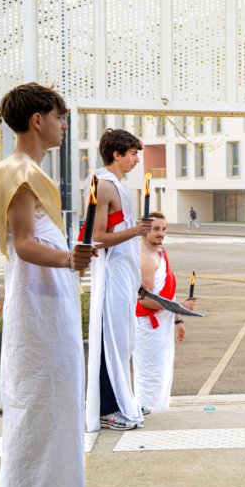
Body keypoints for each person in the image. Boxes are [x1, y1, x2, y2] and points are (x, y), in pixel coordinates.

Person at [0, 83, 114, 487]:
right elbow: (25, 244)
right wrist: (69, 259)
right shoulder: (18, 171)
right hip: (38, 304)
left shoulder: (26, 171)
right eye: (59, 116)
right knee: (41, 401)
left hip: (50, 298)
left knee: (54, 400)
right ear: (37, 120)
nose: (64, 124)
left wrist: (70, 259)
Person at [84, 128, 152, 431]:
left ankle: (123, 400)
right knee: (110, 341)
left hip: (123, 275)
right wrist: (137, 230)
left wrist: (136, 278)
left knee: (122, 341)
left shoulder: (116, 186)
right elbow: (97, 237)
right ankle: (107, 409)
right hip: (111, 276)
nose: (137, 160)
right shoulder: (104, 185)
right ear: (117, 154)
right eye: (133, 154)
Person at [133, 212, 193, 412]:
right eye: (156, 229)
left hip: (163, 323)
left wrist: (177, 319)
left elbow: (167, 292)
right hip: (149, 326)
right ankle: (147, 411)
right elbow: (146, 300)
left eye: (164, 229)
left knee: (163, 371)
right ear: (145, 230)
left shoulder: (159, 252)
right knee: (151, 374)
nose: (161, 233)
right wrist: (180, 306)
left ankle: (160, 410)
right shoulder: (145, 258)